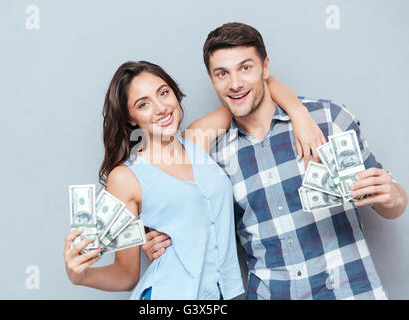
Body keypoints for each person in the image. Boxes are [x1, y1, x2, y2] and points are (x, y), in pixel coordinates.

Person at [144, 22, 408, 300]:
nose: (235, 83)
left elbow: (394, 205)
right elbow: (197, 229)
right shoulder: (211, 157)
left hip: (351, 290)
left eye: (246, 67)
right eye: (223, 73)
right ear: (212, 80)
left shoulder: (328, 120)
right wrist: (160, 244)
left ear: (265, 68)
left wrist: (392, 197)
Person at [63, 59, 325, 299]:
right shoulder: (126, 177)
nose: (161, 108)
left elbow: (261, 87)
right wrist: (80, 275)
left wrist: (300, 116)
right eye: (143, 104)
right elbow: (126, 274)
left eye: (163, 93)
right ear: (131, 117)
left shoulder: (197, 138)